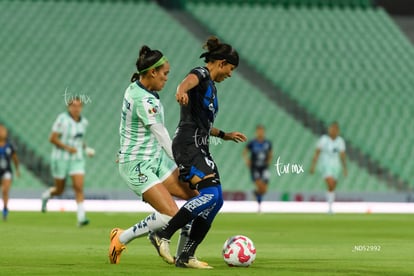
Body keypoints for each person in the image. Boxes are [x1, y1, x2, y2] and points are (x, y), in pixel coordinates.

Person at [149, 36, 247, 269]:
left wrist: (224, 134)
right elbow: (187, 81)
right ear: (221, 63)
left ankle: (187, 255)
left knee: (217, 200)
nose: (230, 74)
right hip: (187, 145)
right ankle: (163, 234)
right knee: (210, 196)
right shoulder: (202, 74)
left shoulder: (211, 88)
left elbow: (201, 123)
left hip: (199, 145)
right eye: (230, 69)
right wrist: (180, 90)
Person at [108, 45, 199, 265]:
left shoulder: (137, 88)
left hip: (154, 159)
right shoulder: (145, 101)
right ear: (152, 73)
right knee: (170, 215)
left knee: (197, 198)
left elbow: (129, 126)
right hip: (137, 164)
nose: (167, 78)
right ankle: (121, 238)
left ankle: (184, 257)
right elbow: (162, 136)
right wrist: (183, 162)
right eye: (165, 73)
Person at [41, 97, 95, 226]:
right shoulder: (62, 119)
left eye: (79, 106)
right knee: (60, 189)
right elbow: (52, 138)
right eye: (74, 106)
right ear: (69, 107)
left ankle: (81, 218)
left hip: (77, 159)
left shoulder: (84, 122)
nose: (76, 109)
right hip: (61, 158)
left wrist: (86, 148)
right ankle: (47, 195)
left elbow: (79, 140)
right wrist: (68, 148)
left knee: (78, 187)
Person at [310, 122, 347, 214]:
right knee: (330, 184)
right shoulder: (324, 140)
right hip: (325, 165)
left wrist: (344, 168)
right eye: (331, 128)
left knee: (332, 186)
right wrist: (313, 166)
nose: (332, 131)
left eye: (335, 129)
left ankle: (330, 207)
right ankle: (330, 208)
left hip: (336, 165)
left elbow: (342, 155)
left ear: (337, 131)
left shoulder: (340, 141)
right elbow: (317, 152)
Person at [243, 125, 272, 213]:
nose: (260, 132)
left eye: (262, 131)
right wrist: (247, 160)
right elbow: (244, 152)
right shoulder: (252, 143)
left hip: (264, 167)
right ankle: (259, 206)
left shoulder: (267, 143)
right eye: (259, 131)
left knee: (264, 189)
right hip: (255, 167)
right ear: (256, 132)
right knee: (259, 185)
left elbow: (270, 153)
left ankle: (255, 193)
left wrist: (269, 161)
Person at [0, 124, 20, 221]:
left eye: (3, 130)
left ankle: (5, 209)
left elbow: (15, 159)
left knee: (5, 190)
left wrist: (17, 170)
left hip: (6, 171)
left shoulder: (10, 145)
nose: (2, 132)